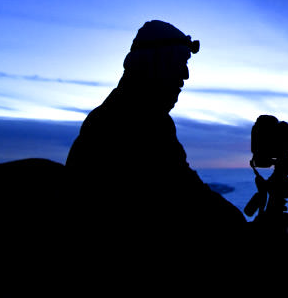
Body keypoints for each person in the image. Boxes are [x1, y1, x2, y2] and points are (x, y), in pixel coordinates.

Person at [66, 20, 245, 235]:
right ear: (156, 63)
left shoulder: (145, 117)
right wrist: (241, 227)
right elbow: (184, 195)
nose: (186, 75)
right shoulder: (130, 122)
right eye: (180, 62)